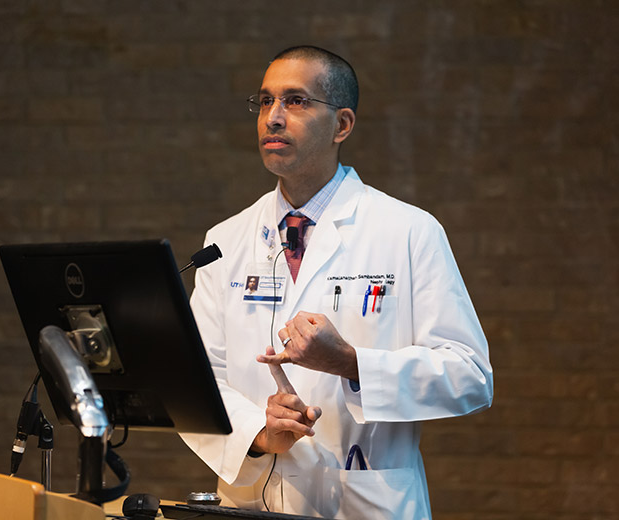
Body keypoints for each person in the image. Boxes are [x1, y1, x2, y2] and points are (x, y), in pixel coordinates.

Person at [181, 46, 493, 519]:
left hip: (365, 502)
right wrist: (257, 433)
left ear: (342, 125)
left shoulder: (408, 230)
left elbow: (469, 375)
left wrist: (351, 364)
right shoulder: (225, 241)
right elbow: (196, 381)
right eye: (265, 102)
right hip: (251, 501)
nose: (274, 118)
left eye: (296, 101)